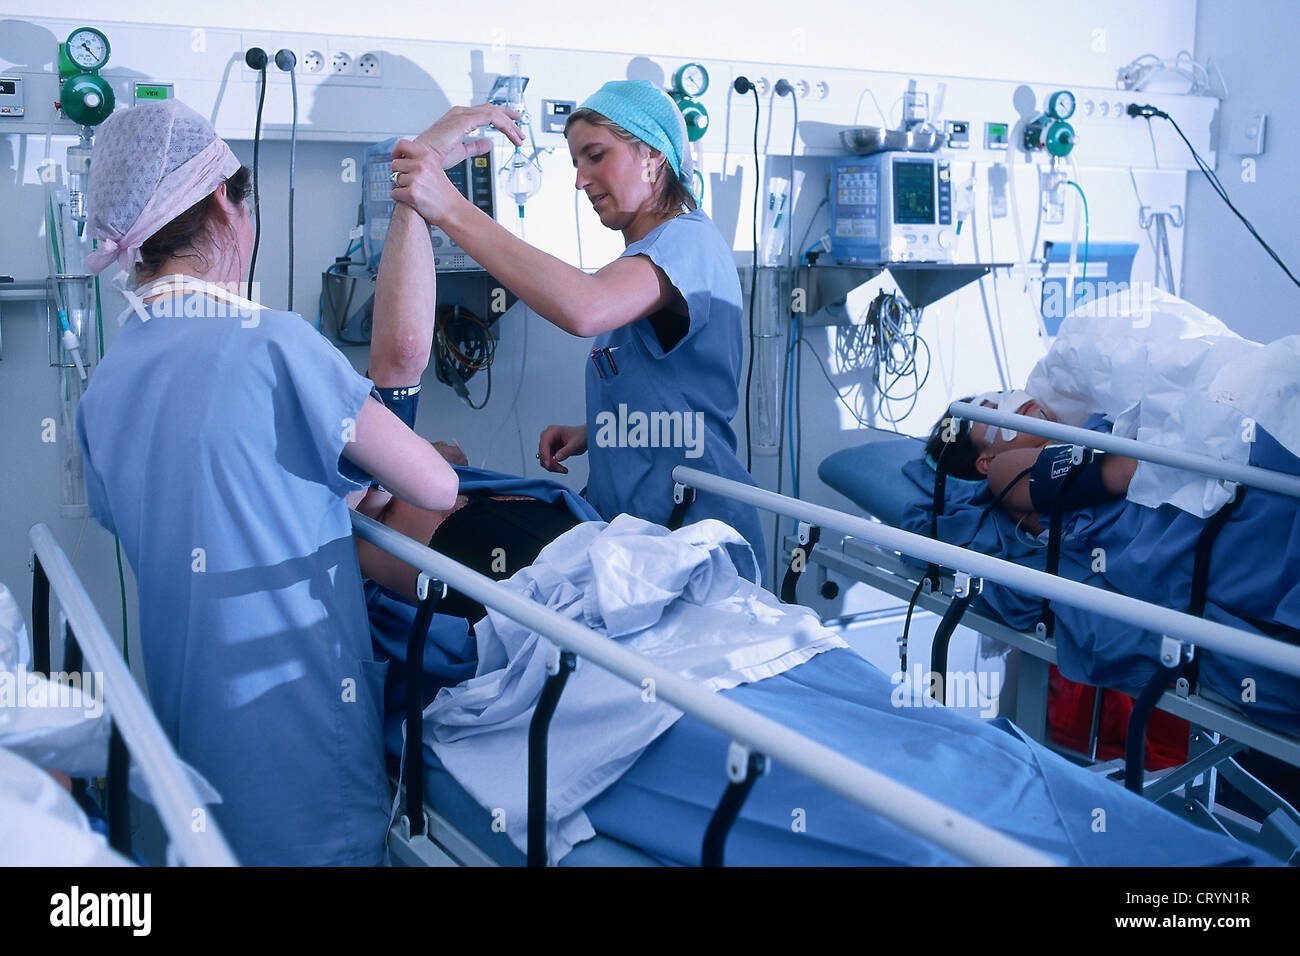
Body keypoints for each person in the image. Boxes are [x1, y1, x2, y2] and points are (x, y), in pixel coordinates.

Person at [74, 99, 516, 865]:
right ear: (224, 203)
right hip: (298, 718)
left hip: (193, 716)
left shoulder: (105, 384)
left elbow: (193, 502)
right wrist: (384, 473)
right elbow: (439, 488)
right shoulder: (273, 343)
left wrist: (326, 489)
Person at [387, 80, 767, 582]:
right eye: (576, 163)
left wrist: (449, 207)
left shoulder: (688, 240)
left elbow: (584, 308)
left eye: (595, 156)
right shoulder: (644, 261)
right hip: (635, 527)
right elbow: (676, 388)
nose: (581, 180)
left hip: (690, 532)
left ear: (653, 154)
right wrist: (599, 433)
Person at [924, 390, 1137, 534]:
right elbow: (1131, 470)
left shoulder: (1093, 423)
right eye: (990, 410)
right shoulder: (1002, 473)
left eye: (1000, 396)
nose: (1008, 401)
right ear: (985, 462)